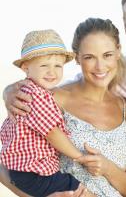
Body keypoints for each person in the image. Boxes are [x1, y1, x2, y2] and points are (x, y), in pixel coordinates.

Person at [1, 18, 126, 197]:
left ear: (118, 51)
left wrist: (107, 168)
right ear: (76, 57)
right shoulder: (53, 99)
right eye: (89, 57)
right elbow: (11, 162)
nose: (100, 66)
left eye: (107, 55)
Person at [0, 29, 92, 196]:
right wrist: (80, 157)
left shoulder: (30, 91)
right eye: (44, 65)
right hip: (34, 173)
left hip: (24, 172)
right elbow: (52, 133)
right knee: (80, 188)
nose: (52, 72)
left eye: (58, 65)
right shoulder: (35, 95)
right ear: (26, 68)